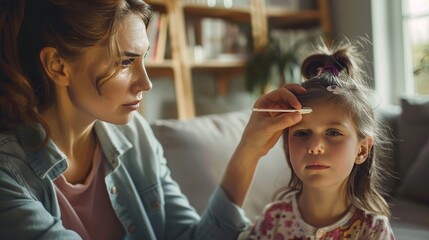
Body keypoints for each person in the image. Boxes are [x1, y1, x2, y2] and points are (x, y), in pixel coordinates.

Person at [0, 0, 308, 239]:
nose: (145, 83)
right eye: (125, 62)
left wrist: (249, 149)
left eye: (143, 58)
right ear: (58, 66)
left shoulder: (136, 135)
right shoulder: (8, 174)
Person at [238, 40, 396, 239]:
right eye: (302, 133)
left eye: (333, 133)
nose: (314, 147)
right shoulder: (273, 219)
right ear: (287, 145)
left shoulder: (373, 230)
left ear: (362, 150)